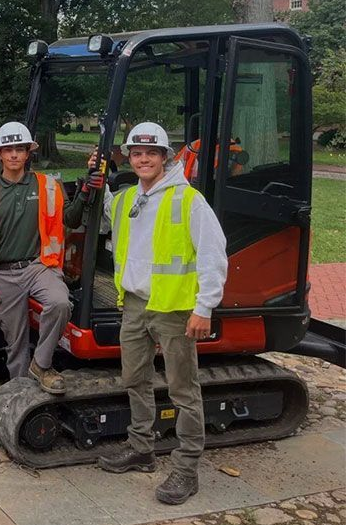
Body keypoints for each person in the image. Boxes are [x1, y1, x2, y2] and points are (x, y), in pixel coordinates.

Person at [96, 122, 228, 506]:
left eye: (151, 153)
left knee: (183, 389)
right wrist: (98, 176)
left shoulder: (189, 201)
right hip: (135, 304)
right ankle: (141, 447)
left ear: (165, 157)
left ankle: (186, 469)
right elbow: (104, 211)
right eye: (136, 153)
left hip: (173, 308)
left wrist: (204, 307)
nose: (143, 159)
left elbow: (212, 255)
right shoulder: (125, 199)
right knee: (134, 378)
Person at [0, 122, 105, 393]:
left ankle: (41, 364)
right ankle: (19, 395)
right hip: (0, 274)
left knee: (59, 304)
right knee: (15, 342)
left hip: (38, 266)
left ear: (28, 152)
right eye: (8, 149)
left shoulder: (48, 186)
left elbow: (72, 218)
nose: (14, 155)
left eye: (19, 149)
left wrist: (86, 190)